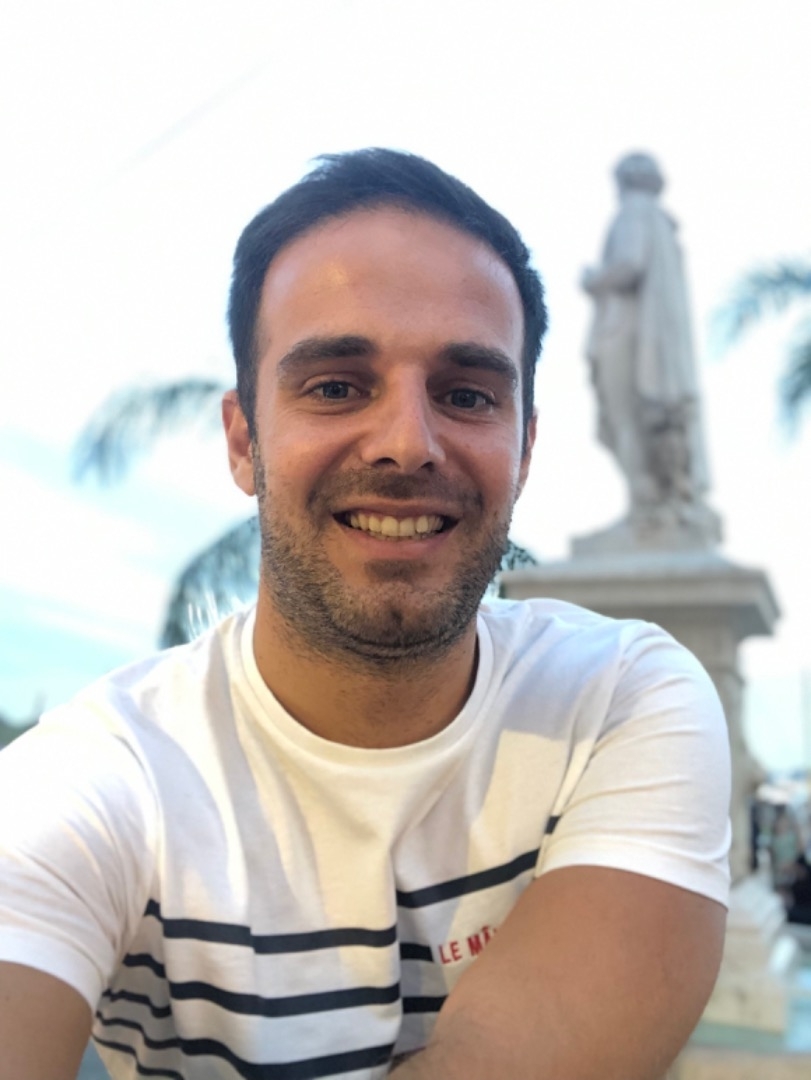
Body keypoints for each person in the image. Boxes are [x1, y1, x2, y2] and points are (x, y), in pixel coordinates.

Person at [0, 149, 730, 1080]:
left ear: (524, 448)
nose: (407, 444)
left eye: (465, 395)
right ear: (243, 441)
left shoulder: (618, 700)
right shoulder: (95, 787)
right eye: (336, 386)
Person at [581, 152, 719, 542]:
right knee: (641, 419)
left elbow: (628, 265)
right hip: (646, 335)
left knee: (625, 417)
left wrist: (593, 280)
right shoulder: (662, 222)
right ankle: (658, 504)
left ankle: (646, 511)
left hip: (624, 331)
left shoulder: (634, 213)